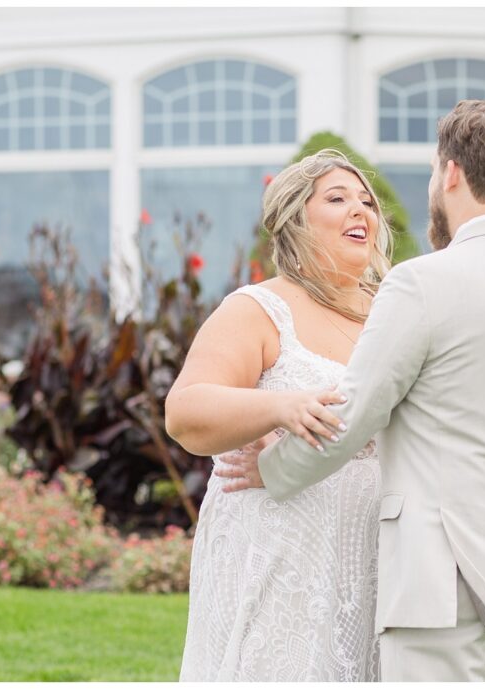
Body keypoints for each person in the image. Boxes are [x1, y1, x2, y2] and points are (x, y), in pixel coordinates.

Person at [224, 100, 485, 681]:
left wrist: (272, 469)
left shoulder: (421, 283)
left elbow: (352, 417)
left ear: (450, 173)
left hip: (444, 580)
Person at [165, 149, 392, 681]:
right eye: (337, 199)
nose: (361, 210)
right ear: (294, 220)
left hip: (378, 552)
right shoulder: (260, 309)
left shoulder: (394, 311)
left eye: (367, 201)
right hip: (280, 553)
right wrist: (281, 406)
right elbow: (185, 411)